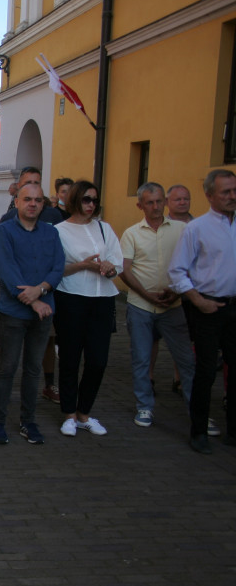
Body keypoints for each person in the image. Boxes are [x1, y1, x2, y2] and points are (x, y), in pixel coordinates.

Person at [0, 183, 65, 445]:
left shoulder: (51, 233)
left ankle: (28, 421)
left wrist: (41, 290)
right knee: (7, 368)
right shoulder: (4, 232)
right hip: (14, 312)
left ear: (43, 204)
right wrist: (34, 302)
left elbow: (58, 268)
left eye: (38, 200)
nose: (33, 204)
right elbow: (9, 275)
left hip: (44, 312)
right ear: (18, 202)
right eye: (28, 199)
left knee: (33, 370)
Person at [168, 168, 236, 454]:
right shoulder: (197, 229)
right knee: (206, 371)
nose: (232, 196)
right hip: (208, 306)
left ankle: (233, 431)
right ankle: (199, 431)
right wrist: (198, 300)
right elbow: (177, 271)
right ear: (209, 196)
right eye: (226, 192)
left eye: (234, 190)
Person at [118, 182, 195, 429]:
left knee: (185, 359)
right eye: (149, 202)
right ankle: (144, 406)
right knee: (141, 358)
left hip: (174, 305)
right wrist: (146, 294)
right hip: (141, 305)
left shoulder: (183, 230)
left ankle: (198, 411)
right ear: (140, 205)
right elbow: (125, 269)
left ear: (165, 202)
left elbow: (193, 263)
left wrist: (176, 291)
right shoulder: (132, 233)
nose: (155, 206)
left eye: (159, 201)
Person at [53, 181, 123, 437]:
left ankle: (85, 412)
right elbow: (56, 268)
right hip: (72, 297)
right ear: (74, 200)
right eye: (86, 200)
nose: (91, 205)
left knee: (98, 361)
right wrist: (83, 265)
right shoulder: (59, 230)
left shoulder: (104, 228)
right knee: (71, 358)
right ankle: (70, 413)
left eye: (94, 200)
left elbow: (117, 259)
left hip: (102, 297)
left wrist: (110, 268)